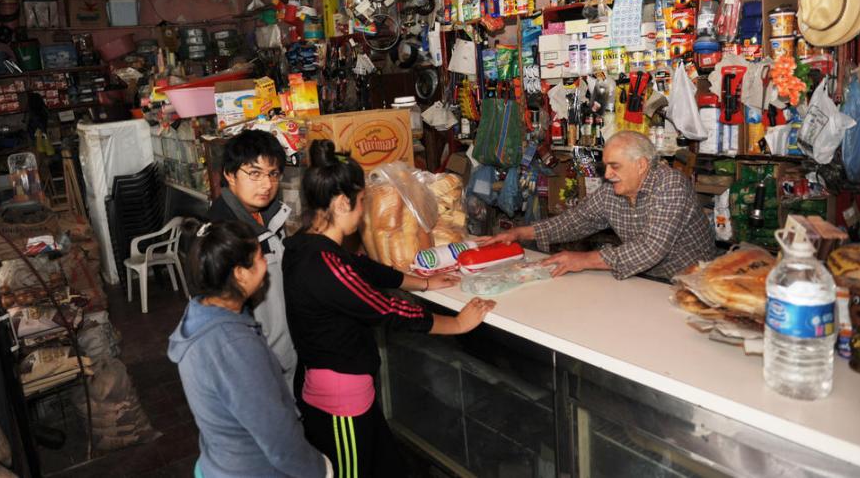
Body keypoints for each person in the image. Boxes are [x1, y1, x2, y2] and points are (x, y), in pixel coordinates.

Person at [284, 140, 495, 477]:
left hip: (348, 394)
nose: (363, 212)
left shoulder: (305, 245)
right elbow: (388, 310)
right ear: (342, 203)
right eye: (362, 202)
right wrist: (457, 324)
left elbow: (365, 268)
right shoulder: (324, 266)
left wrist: (423, 283)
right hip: (340, 404)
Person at [168, 220, 332, 478]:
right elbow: (278, 438)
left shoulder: (201, 312)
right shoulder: (234, 347)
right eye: (259, 258)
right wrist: (321, 470)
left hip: (219, 463)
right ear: (240, 274)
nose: (266, 265)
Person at [482, 131, 716, 280]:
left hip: (692, 283)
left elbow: (650, 248)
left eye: (615, 166)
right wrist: (520, 233)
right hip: (645, 279)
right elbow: (576, 220)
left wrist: (582, 260)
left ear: (641, 165)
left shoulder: (671, 184)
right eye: (606, 167)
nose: (608, 174)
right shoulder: (612, 190)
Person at [208, 129, 297, 391]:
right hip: (258, 367)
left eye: (273, 174)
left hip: (285, 354)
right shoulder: (222, 235)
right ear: (229, 174)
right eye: (255, 174)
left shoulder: (270, 215)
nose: (267, 185)